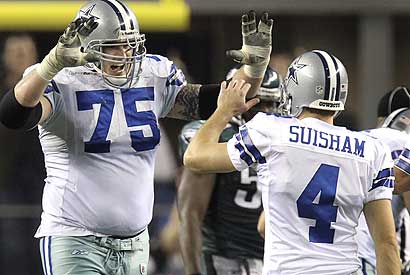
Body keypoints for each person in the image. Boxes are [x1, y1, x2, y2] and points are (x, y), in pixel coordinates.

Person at [0, 1, 273, 274]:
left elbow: (218, 100)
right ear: (90, 46)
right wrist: (51, 65)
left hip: (135, 245)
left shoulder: (150, 74)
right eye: (115, 45)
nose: (125, 53)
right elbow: (13, 114)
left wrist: (254, 69)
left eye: (130, 43)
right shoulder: (62, 78)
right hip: (75, 238)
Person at [183, 50, 401, 275]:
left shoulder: (272, 131)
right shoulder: (372, 150)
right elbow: (386, 244)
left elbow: (195, 157)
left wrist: (223, 110)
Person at [178, 66, 281, 275]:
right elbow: (190, 213)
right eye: (258, 104)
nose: (266, 112)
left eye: (272, 104)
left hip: (272, 258)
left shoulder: (282, 141)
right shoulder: (220, 137)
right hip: (225, 258)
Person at [356, 89, 410, 274]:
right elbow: (400, 183)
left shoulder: (358, 139)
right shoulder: (405, 142)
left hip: (337, 254)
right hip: (379, 258)